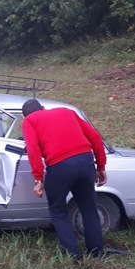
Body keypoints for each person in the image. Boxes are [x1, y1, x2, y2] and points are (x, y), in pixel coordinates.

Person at [21, 98, 108, 260]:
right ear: (44, 108)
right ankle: (97, 252)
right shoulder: (68, 112)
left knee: (58, 211)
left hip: (59, 166)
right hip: (85, 161)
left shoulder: (29, 121)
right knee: (89, 209)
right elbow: (95, 137)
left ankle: (73, 255)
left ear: (25, 116)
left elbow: (33, 149)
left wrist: (38, 179)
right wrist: (101, 166)